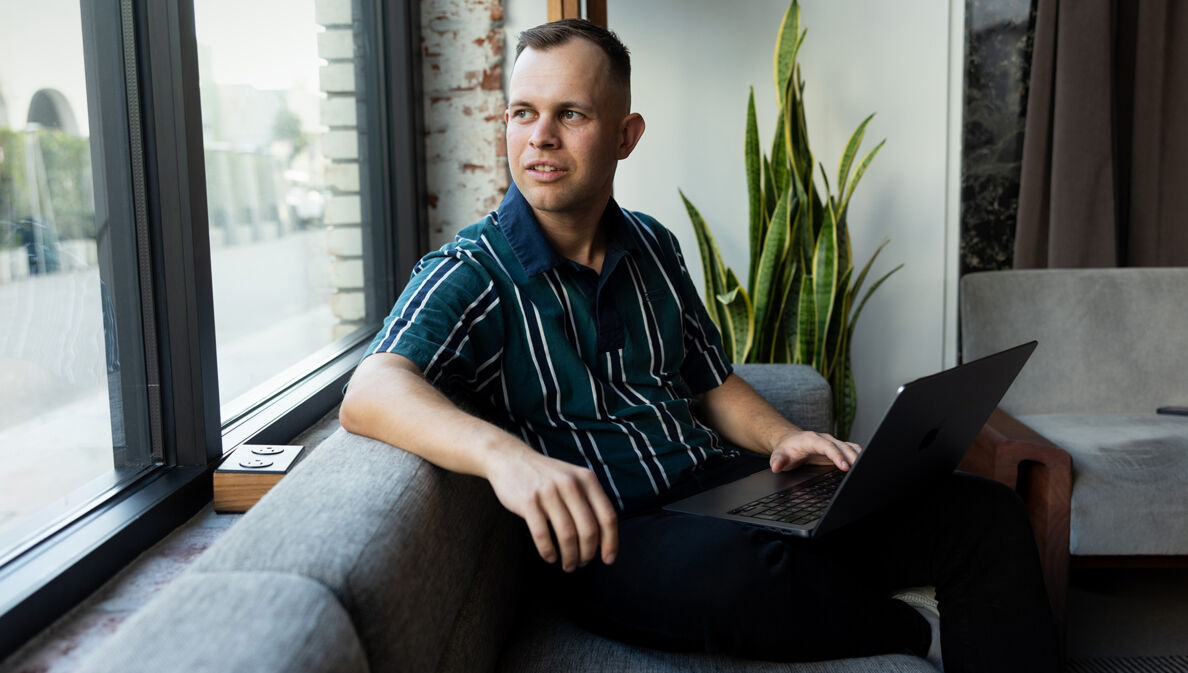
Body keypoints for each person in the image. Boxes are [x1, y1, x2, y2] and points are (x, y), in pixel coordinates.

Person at [340, 19, 1059, 672]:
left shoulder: (652, 242)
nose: (541, 137)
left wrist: (789, 437)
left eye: (572, 114)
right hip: (617, 531)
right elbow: (371, 390)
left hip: (723, 485)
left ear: (625, 135)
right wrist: (507, 459)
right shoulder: (473, 270)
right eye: (523, 112)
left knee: (983, 511)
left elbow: (712, 381)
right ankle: (917, 632)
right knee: (744, 571)